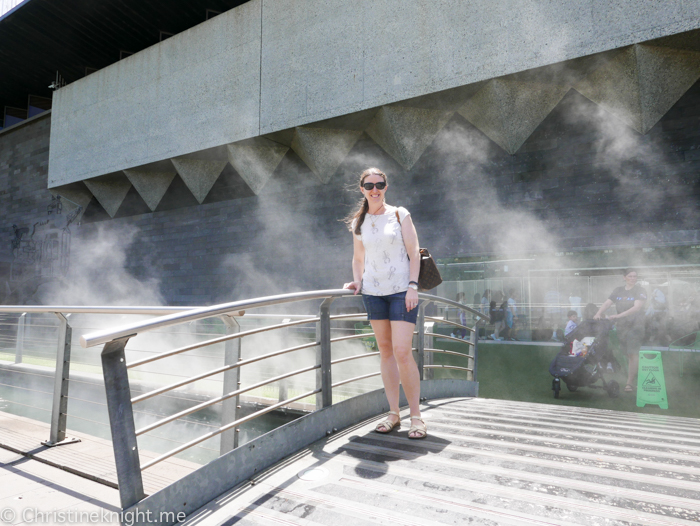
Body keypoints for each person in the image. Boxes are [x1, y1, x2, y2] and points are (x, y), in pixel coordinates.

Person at [343, 167, 426, 439]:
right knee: (386, 351)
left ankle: (416, 417)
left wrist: (413, 286)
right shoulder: (360, 223)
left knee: (403, 352)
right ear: (362, 189)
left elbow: (414, 253)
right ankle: (393, 413)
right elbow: (358, 259)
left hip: (402, 291)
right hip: (373, 292)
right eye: (369, 185)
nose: (375, 189)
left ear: (386, 187)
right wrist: (357, 281)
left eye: (380, 184)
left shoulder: (400, 214)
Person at [594, 269, 647, 393]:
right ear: (624, 277)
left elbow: (637, 307)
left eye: (635, 276)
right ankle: (634, 377)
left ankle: (629, 383)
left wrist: (618, 316)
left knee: (633, 353)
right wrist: (598, 313)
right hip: (622, 326)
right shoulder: (618, 290)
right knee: (626, 354)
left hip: (636, 326)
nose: (633, 278)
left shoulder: (640, 290)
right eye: (630, 276)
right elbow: (607, 303)